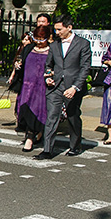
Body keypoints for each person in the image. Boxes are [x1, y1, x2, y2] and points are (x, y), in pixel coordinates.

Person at [34, 14, 92, 160]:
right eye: (55, 30)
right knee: (52, 117)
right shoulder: (54, 45)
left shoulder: (83, 44)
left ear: (69, 27)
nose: (56, 32)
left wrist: (75, 87)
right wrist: (48, 77)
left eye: (59, 29)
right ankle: (47, 149)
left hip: (72, 86)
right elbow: (49, 65)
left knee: (72, 117)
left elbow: (85, 68)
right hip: (55, 87)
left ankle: (75, 145)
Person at [8, 25, 52, 151]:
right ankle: (30, 135)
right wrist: (18, 65)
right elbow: (20, 61)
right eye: (37, 38)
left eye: (42, 39)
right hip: (27, 86)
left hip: (42, 87)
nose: (39, 42)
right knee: (26, 111)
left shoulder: (53, 50)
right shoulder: (29, 48)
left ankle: (34, 136)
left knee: (39, 112)